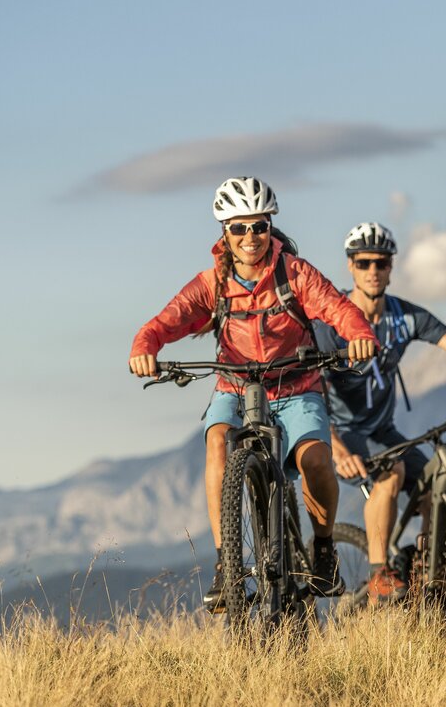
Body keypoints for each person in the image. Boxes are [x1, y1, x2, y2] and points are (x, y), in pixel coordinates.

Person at [129, 177, 378, 613]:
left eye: (259, 227)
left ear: (270, 227)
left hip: (296, 386)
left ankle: (323, 551)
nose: (250, 238)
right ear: (224, 232)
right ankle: (228, 564)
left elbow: (337, 307)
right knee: (217, 443)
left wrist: (357, 334)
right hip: (235, 386)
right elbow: (168, 320)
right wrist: (144, 347)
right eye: (239, 228)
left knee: (316, 459)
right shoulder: (212, 283)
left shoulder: (295, 274)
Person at [313, 222, 446, 605]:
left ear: (392, 266)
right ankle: (380, 572)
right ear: (350, 266)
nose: (373, 270)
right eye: (364, 263)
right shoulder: (332, 323)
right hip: (344, 433)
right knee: (391, 472)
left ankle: (428, 570)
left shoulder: (403, 317)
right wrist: (336, 449)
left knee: (437, 483)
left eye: (381, 262)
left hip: (384, 429)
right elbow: (307, 390)